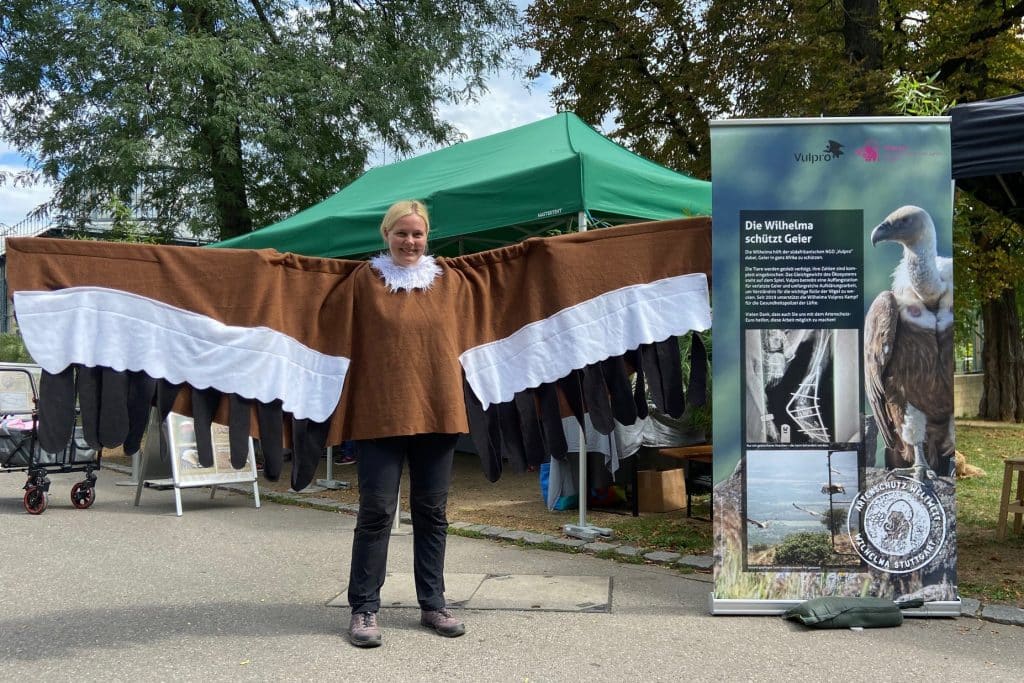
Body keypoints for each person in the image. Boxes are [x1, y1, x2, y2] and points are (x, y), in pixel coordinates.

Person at [346, 200, 465, 648]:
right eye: (401, 233)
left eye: (417, 234)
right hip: (380, 413)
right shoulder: (364, 280)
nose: (410, 242)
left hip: (438, 411)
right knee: (376, 512)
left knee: (432, 514)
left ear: (427, 237)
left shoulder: (450, 280)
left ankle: (433, 604)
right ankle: (364, 609)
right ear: (386, 235)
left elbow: (509, 276)